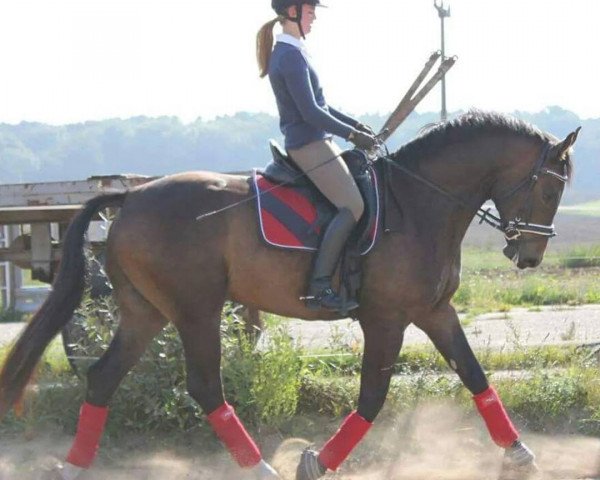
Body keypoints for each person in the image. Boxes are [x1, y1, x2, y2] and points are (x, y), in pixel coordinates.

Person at [256, 0, 377, 313]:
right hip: (308, 144)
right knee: (353, 206)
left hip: (317, 140)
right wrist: (352, 136)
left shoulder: (293, 52)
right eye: (310, 12)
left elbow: (321, 105)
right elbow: (310, 113)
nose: (313, 19)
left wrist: (354, 125)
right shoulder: (290, 56)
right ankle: (320, 287)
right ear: (293, 12)